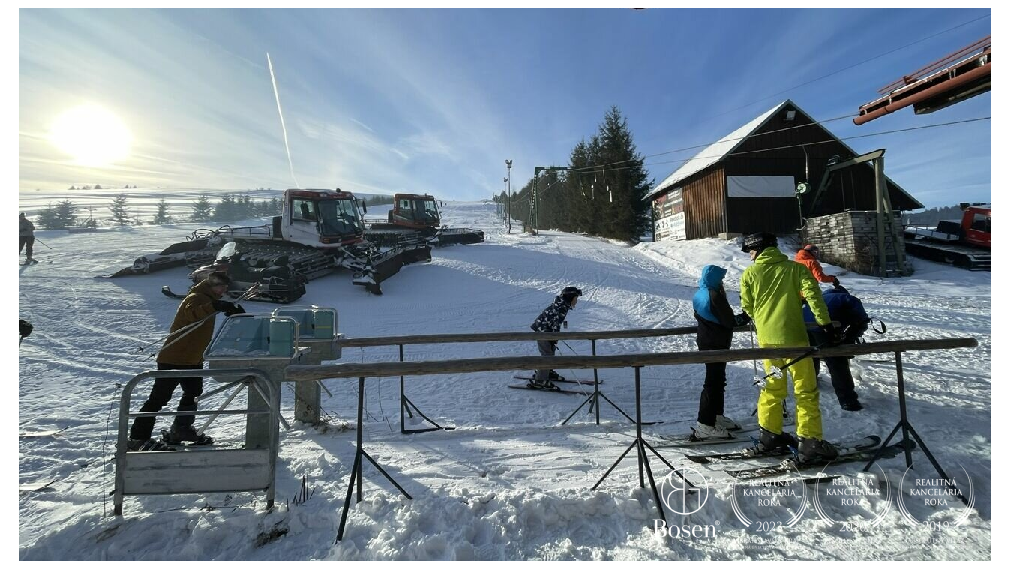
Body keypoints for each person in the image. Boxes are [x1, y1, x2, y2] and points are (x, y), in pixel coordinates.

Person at [740, 232, 840, 464]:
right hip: (795, 340)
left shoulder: (750, 273)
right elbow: (814, 295)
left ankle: (770, 435)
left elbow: (747, 305)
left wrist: (764, 321)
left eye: (751, 252)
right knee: (805, 390)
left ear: (759, 249)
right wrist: (825, 324)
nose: (750, 256)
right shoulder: (796, 269)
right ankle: (810, 441)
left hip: (767, 343)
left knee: (771, 390)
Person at [127, 272, 245, 451]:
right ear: (211, 284)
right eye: (220, 286)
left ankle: (181, 429)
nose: (223, 290)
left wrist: (229, 309)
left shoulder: (207, 298)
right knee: (159, 398)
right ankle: (138, 437)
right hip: (174, 357)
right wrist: (215, 305)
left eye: (225, 287)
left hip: (192, 359)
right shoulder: (196, 297)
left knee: (193, 394)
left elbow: (207, 310)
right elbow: (192, 314)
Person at [691, 265, 750, 440]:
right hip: (715, 342)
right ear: (715, 279)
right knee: (713, 382)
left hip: (707, 340)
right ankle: (705, 424)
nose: (722, 282)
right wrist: (746, 315)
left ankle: (716, 416)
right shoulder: (714, 295)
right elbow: (729, 321)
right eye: (720, 279)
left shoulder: (699, 293)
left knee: (717, 379)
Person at [803, 284, 870, 411]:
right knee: (837, 363)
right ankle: (848, 401)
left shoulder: (819, 297)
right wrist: (849, 338)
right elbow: (862, 319)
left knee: (812, 355)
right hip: (825, 327)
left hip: (806, 328)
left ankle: (812, 380)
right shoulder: (847, 298)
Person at [529, 286, 582, 389]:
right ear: (569, 298)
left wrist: (553, 340)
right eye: (575, 299)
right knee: (547, 354)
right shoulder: (561, 307)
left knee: (551, 351)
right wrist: (554, 338)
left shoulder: (563, 305)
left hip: (545, 331)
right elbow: (555, 325)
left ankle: (547, 372)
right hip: (542, 331)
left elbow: (555, 323)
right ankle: (540, 380)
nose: (576, 301)